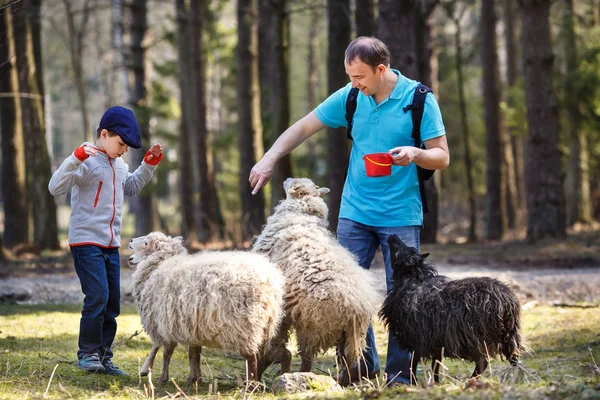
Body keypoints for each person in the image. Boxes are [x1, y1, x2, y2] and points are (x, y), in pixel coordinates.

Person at [249, 36, 450, 386]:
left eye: (360, 77)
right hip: (355, 212)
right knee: (345, 295)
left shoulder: (419, 100)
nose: (354, 83)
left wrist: (415, 154)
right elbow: (303, 127)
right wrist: (269, 158)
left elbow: (442, 155)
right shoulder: (352, 97)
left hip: (400, 214)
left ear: (381, 69)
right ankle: (361, 366)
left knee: (404, 297)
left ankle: (401, 375)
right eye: (350, 76)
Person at [49, 106, 163, 375]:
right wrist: (74, 159)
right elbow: (55, 187)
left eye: (127, 147)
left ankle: (104, 357)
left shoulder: (120, 164)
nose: (124, 150)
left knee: (112, 301)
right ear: (104, 134)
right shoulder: (85, 159)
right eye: (121, 144)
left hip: (111, 244)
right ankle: (87, 353)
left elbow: (131, 187)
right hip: (86, 241)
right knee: (97, 295)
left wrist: (148, 164)